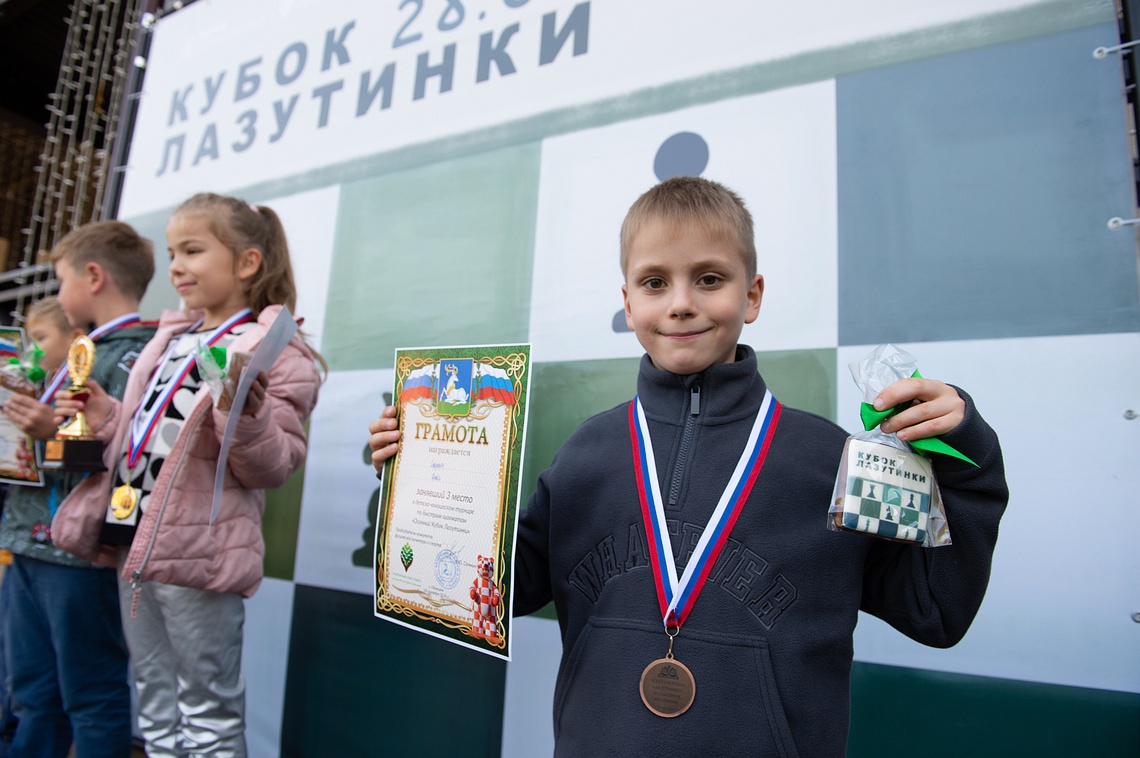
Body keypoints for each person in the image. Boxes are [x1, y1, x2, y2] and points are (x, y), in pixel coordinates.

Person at [368, 176, 1009, 756]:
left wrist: (969, 466)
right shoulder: (586, 454)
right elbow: (500, 588)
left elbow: (936, 611)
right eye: (655, 282)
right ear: (627, 302)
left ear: (752, 294)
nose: (680, 303)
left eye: (709, 278)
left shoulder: (830, 459)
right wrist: (423, 480)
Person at [51, 193, 322, 757]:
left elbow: (271, 465)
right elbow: (142, 435)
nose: (175, 266)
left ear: (246, 262)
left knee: (208, 710)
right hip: (134, 538)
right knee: (153, 698)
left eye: (193, 250)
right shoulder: (169, 338)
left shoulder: (276, 349)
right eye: (173, 252)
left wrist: (244, 413)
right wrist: (105, 416)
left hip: (198, 551)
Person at [0, 224, 157, 758]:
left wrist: (50, 434)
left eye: (60, 280)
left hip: (80, 555)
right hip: (27, 541)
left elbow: (130, 460)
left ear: (93, 277)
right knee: (31, 693)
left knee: (91, 698)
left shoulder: (139, 355)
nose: (57, 293)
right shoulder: (80, 350)